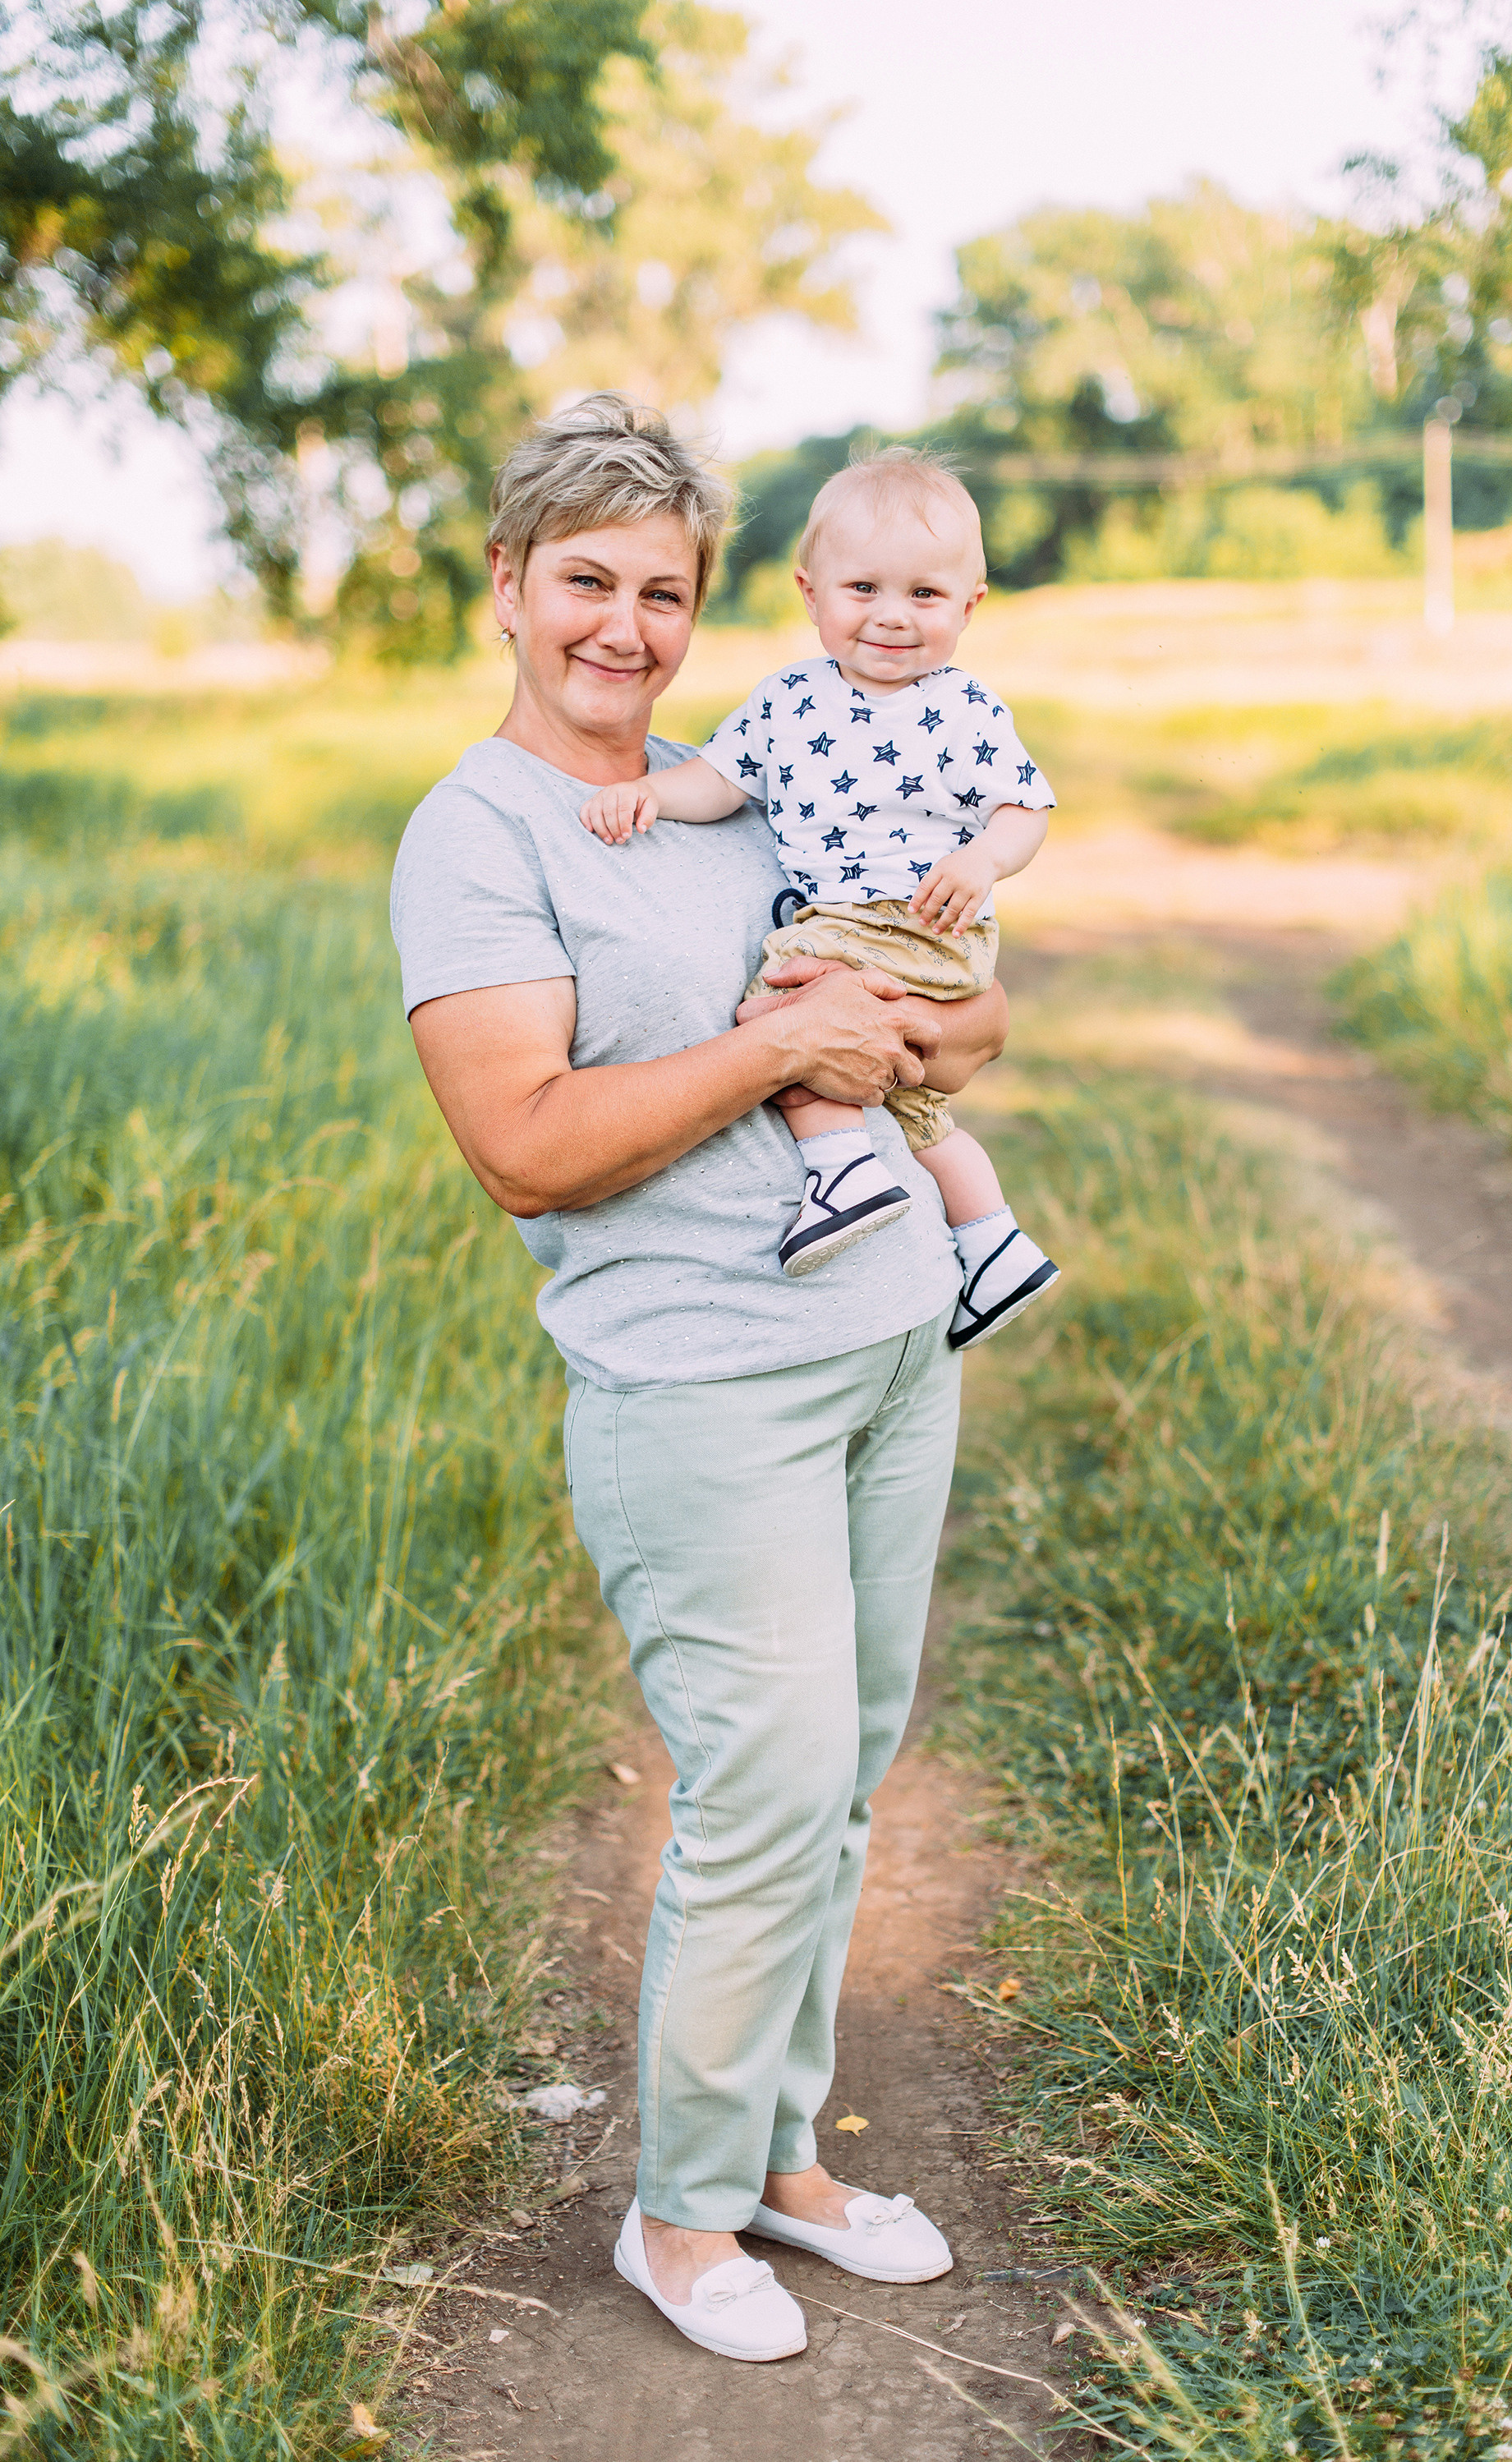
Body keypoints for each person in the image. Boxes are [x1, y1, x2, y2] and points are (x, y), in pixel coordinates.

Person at [388, 393, 1011, 2364]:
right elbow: (524, 1146)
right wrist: (779, 1052)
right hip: (702, 1386)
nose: (624, 626)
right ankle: (676, 2213)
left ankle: (777, 2161)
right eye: (586, 580)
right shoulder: (478, 835)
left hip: (889, 1342)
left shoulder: (748, 778)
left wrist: (931, 1018)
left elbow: (960, 1019)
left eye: (662, 592)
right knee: (760, 1786)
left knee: (844, 1776)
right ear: (507, 585)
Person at [577, 447, 1060, 1348]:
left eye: (924, 594)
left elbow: (1024, 808)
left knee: (779, 1004)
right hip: (863, 931)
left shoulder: (962, 708)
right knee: (917, 1111)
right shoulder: (788, 701)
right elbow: (719, 781)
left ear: (969, 605)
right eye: (863, 588)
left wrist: (985, 861)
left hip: (918, 920)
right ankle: (994, 1243)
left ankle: (841, 1171)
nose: (891, 615)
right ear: (810, 594)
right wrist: (650, 794)